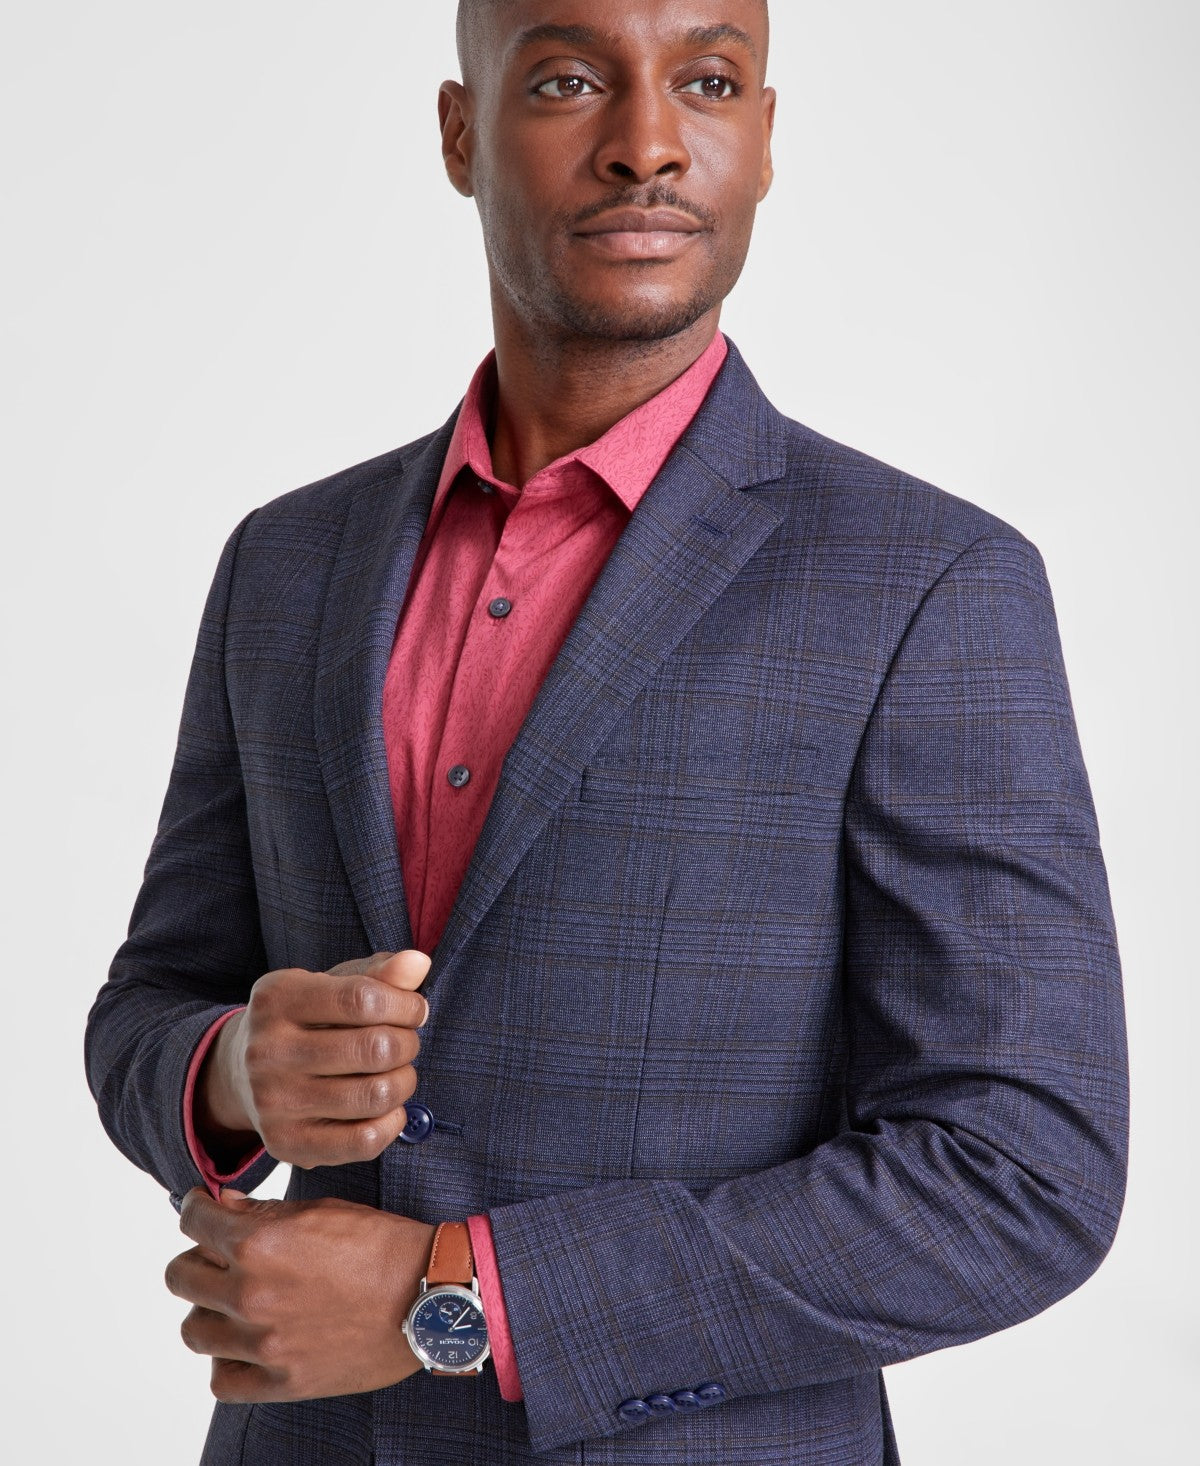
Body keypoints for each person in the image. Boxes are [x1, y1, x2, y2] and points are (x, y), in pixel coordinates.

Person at [85, 2, 1130, 1463]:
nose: (648, 144)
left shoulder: (928, 584)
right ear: (461, 135)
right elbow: (149, 1000)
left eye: (708, 80)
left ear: (765, 137)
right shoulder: (288, 562)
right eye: (570, 80)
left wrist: (455, 1295)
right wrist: (237, 1070)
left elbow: (1021, 1175)